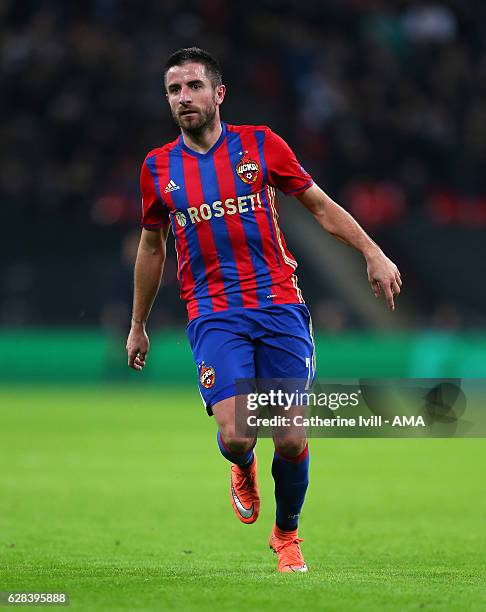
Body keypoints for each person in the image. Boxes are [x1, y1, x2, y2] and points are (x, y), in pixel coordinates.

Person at [126, 47, 401, 573]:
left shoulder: (260, 144)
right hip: (213, 313)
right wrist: (137, 324)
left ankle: (287, 535)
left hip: (279, 307)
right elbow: (152, 247)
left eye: (193, 86)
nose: (184, 98)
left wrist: (372, 251)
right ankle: (243, 465)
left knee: (292, 435)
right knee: (235, 436)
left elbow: (319, 205)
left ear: (218, 93)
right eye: (174, 90)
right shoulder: (157, 168)